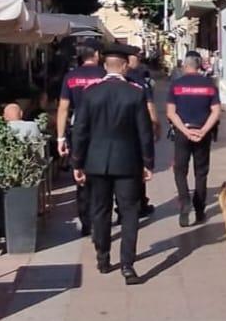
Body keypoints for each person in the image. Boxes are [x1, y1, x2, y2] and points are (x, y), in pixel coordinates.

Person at [71, 44, 155, 285]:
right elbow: (144, 132)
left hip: (96, 162)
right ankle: (128, 266)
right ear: (125, 66)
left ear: (103, 66)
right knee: (129, 213)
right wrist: (148, 162)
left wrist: (77, 161)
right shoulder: (135, 92)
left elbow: (80, 131)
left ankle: (102, 257)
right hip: (128, 162)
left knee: (100, 210)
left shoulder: (90, 93)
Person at [165, 51, 221, 227]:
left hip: (183, 132)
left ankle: (184, 202)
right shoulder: (209, 85)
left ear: (185, 66)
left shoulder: (176, 85)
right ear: (199, 66)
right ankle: (199, 210)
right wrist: (203, 130)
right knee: (201, 172)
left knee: (180, 170)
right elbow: (216, 111)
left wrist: (185, 131)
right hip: (202, 134)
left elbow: (170, 113)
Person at [57, 39, 106, 236]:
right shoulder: (104, 76)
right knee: (101, 175)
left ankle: (86, 220)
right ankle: (99, 218)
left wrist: (60, 138)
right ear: (96, 54)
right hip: (102, 130)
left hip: (78, 131)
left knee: (80, 174)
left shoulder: (71, 76)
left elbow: (63, 108)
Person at [125, 47, 160, 218]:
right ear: (129, 60)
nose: (139, 60)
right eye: (136, 57)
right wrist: (155, 124)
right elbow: (150, 104)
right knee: (139, 168)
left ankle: (126, 204)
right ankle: (139, 203)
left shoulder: (116, 79)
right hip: (138, 130)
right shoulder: (140, 81)